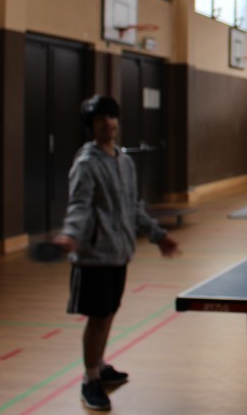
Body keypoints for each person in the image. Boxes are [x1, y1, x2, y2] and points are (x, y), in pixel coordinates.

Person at [52, 95, 179, 411]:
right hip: (94, 255)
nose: (108, 123)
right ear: (91, 126)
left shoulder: (124, 162)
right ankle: (90, 379)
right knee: (98, 318)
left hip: (119, 253)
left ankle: (99, 364)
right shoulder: (86, 164)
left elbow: (132, 207)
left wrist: (158, 235)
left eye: (111, 117)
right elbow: (79, 205)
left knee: (108, 313)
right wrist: (70, 234)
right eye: (100, 118)